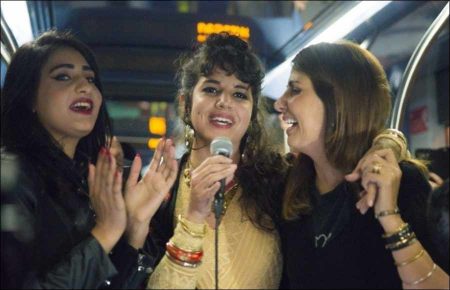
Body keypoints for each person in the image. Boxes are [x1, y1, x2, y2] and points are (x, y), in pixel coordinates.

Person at [143, 33, 409, 289]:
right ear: (185, 102)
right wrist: (194, 217)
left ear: (252, 111)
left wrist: (388, 143)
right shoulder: (162, 189)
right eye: (211, 89)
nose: (224, 102)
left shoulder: (280, 180)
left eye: (239, 94)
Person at [0, 30, 178, 288]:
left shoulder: (83, 184)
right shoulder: (11, 176)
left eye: (90, 78)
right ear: (29, 97)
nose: (85, 86)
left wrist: (135, 225)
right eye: (63, 76)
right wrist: (106, 232)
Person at [275, 40, 449, 288]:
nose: (279, 103)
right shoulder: (289, 188)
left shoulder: (401, 182)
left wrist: (388, 216)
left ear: (338, 101)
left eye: (294, 89)